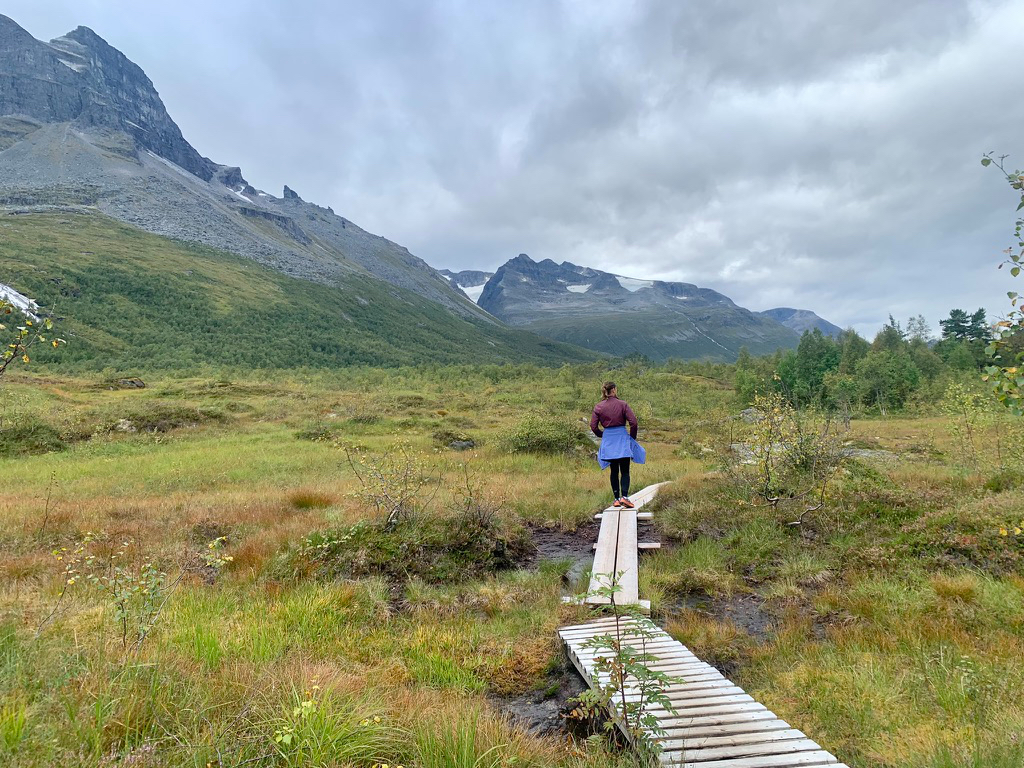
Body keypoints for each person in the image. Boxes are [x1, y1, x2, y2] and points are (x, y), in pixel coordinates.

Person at [590, 381, 645, 508]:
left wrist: (602, 435)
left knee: (613, 470)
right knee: (625, 470)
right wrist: (631, 438)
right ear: (614, 390)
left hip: (608, 439)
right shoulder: (622, 404)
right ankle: (624, 498)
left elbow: (593, 426)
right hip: (622, 438)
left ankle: (616, 499)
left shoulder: (599, 407)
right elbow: (633, 422)